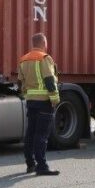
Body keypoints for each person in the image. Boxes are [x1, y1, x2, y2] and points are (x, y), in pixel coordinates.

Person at [18, 33, 61, 176]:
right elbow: (49, 80)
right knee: (41, 135)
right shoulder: (45, 58)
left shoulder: (23, 59)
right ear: (43, 43)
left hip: (31, 101)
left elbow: (21, 82)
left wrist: (27, 95)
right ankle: (42, 166)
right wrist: (55, 99)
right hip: (44, 102)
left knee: (31, 133)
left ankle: (30, 164)